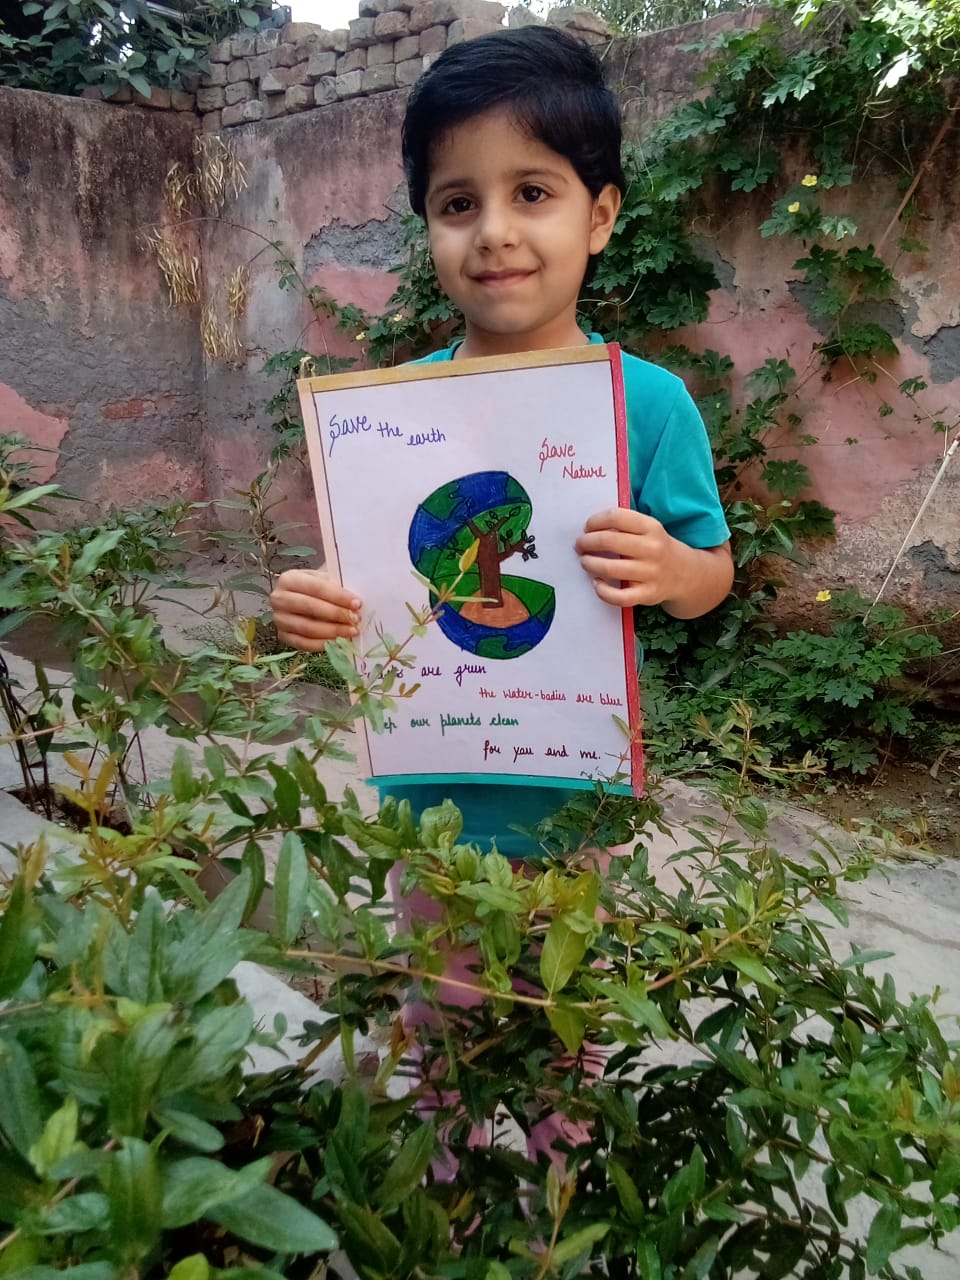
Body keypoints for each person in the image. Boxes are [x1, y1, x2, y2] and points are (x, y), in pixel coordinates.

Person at [270, 24, 733, 1166]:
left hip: (575, 812)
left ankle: (552, 1193)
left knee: (559, 1029)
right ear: (427, 226)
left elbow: (711, 574)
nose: (495, 231)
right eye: (457, 202)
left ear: (600, 215)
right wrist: (314, 606)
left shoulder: (650, 405)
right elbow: (366, 584)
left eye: (533, 192)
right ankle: (444, 1190)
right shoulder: (389, 414)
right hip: (432, 805)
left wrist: (673, 572)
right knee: (440, 1019)